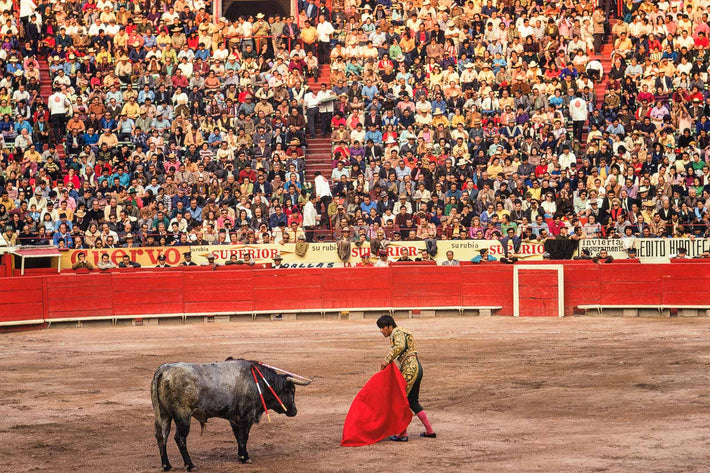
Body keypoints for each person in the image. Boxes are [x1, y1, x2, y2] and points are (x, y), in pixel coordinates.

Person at [376, 315, 436, 441]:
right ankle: (430, 431)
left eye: (383, 328)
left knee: (400, 399)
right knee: (412, 401)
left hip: (410, 368)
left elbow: (400, 346)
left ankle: (403, 434)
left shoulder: (396, 332)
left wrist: (387, 360)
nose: (381, 330)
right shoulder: (404, 331)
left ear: (390, 326)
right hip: (416, 367)